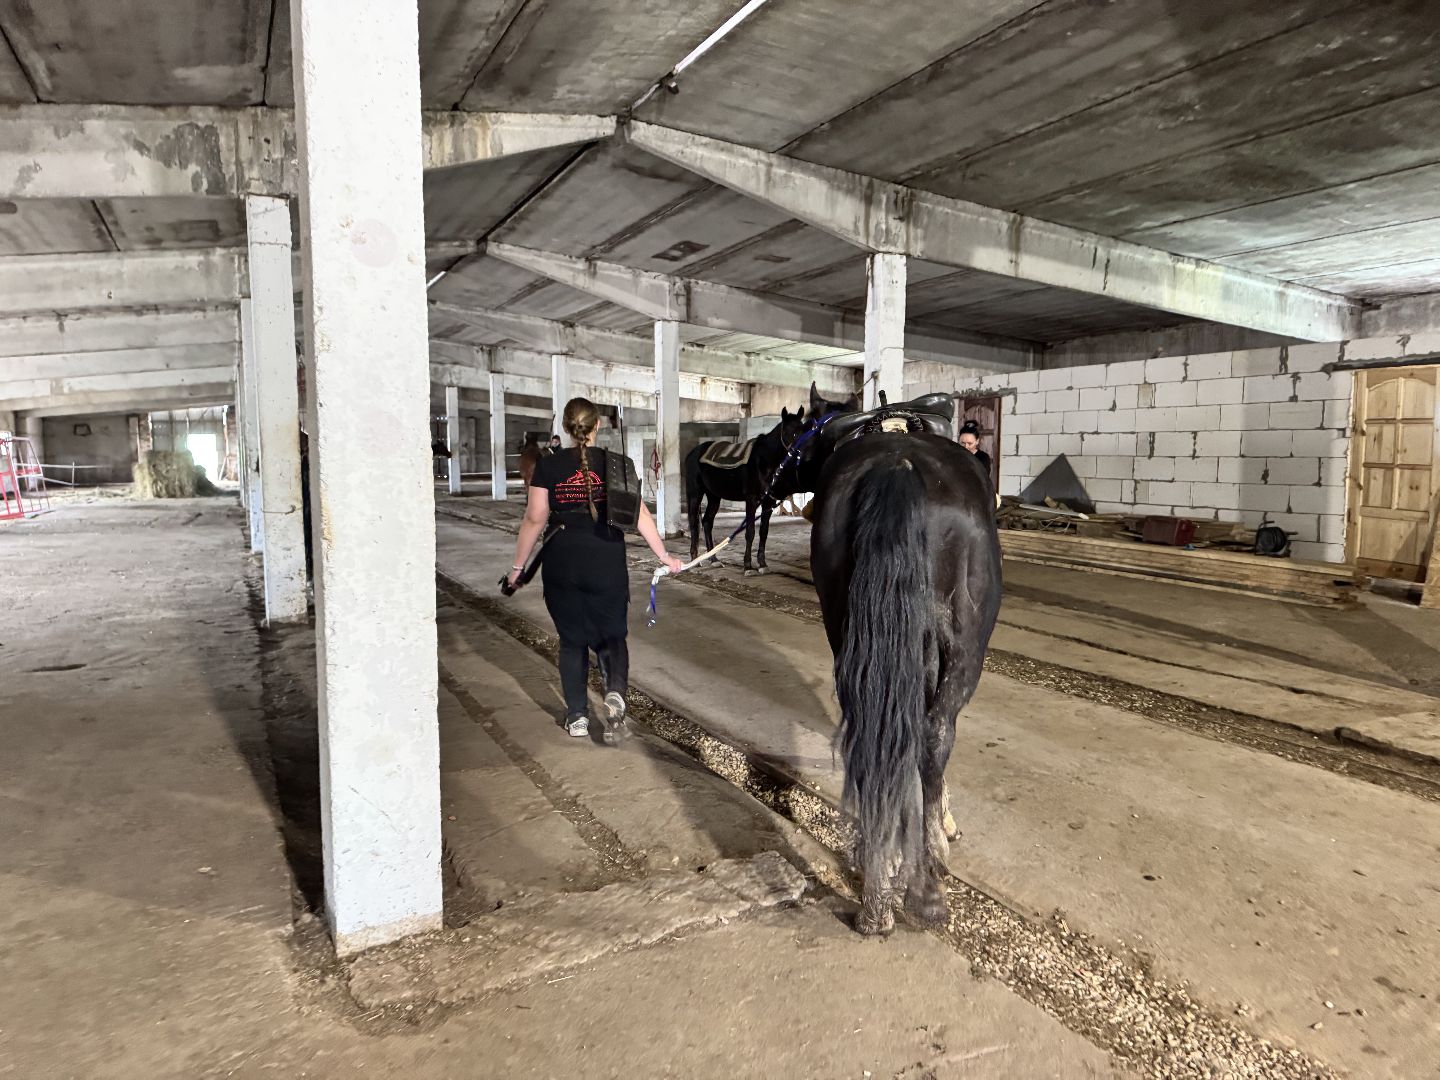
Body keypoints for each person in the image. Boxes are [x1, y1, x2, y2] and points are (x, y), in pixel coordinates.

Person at [508, 398, 683, 740]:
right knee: (612, 635)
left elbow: (534, 518)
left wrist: (517, 567)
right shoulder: (619, 464)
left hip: (562, 561)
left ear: (567, 429)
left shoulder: (548, 466)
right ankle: (615, 691)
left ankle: (577, 717)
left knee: (572, 641)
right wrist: (664, 555)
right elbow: (640, 515)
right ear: (598, 426)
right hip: (606, 560)